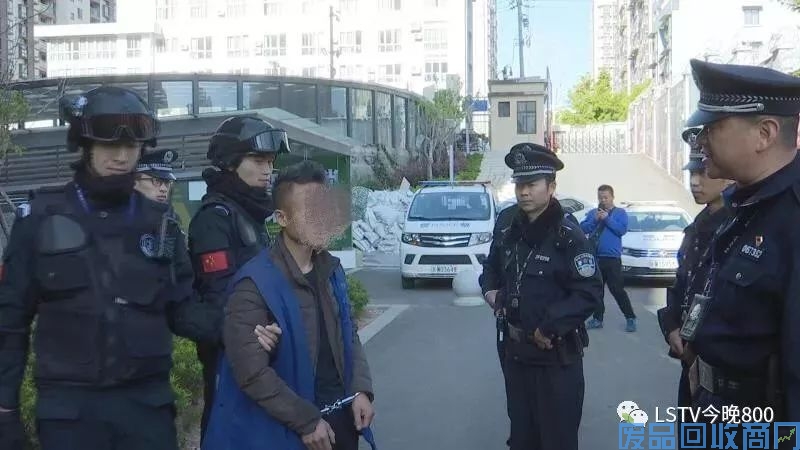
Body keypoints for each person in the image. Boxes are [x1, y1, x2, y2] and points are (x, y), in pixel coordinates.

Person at [0, 86, 219, 450]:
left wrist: (239, 326)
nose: (121, 156)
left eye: (131, 146)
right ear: (85, 145)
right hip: (70, 417)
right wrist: (5, 409)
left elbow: (183, 309)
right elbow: (9, 323)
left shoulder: (160, 223)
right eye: (109, 145)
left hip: (146, 412)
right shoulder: (39, 219)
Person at [202, 160, 376, 450]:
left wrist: (360, 390)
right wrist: (306, 421)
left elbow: (349, 335)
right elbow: (250, 371)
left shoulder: (331, 270)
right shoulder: (254, 284)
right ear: (282, 218)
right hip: (287, 431)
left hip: (342, 423)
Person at [681, 59, 800, 425]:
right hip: (711, 408)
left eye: (713, 127)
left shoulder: (791, 218)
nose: (700, 141)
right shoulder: (742, 207)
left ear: (765, 134)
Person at [480, 143, 602, 450]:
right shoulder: (507, 223)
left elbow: (589, 292)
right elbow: (491, 266)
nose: (523, 192)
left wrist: (550, 326)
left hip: (556, 358)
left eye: (532, 184)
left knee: (556, 439)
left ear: (551, 187)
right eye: (519, 184)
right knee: (522, 437)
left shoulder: (568, 235)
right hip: (515, 354)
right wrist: (490, 291)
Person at [187, 115, 288, 439]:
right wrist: (252, 335)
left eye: (270, 162)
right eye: (258, 161)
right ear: (231, 163)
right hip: (230, 357)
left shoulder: (249, 214)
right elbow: (220, 298)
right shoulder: (215, 219)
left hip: (261, 352)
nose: (267, 170)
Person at [580, 184, 637, 332]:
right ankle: (597, 319)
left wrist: (607, 219)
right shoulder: (593, 212)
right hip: (595, 257)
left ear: (612, 197)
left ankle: (630, 317)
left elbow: (621, 230)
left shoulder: (620, 213)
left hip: (612, 259)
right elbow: (583, 228)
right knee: (597, 290)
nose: (603, 200)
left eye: (606, 197)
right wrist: (595, 220)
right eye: (600, 197)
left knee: (617, 289)